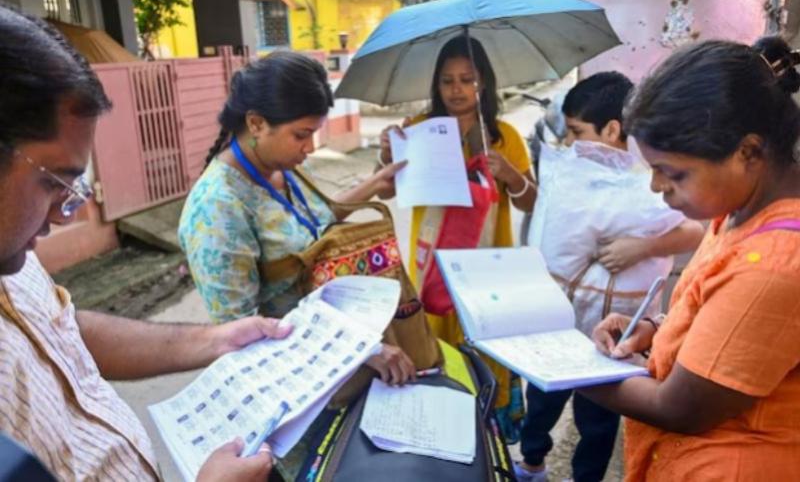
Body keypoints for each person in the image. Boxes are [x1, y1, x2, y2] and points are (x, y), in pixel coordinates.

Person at [0, 2, 291, 481]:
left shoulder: (14, 254)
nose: (62, 213)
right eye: (54, 183)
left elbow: (62, 327)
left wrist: (216, 339)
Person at [582, 37, 800, 481]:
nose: (656, 187)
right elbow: (722, 320)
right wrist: (654, 332)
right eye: (653, 169)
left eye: (674, 173)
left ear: (748, 152)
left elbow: (681, 407)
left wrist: (569, 373)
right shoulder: (737, 212)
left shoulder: (774, 265)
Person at [178, 52, 418, 389]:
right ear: (256, 124)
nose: (309, 147)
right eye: (301, 134)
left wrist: (374, 185)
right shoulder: (218, 211)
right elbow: (241, 336)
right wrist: (359, 350)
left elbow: (312, 223)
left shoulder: (279, 168)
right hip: (292, 384)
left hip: (338, 357)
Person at [515, 72, 705, 482]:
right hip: (559, 319)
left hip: (616, 327)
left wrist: (643, 247)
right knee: (542, 400)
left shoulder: (650, 178)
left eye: (578, 132)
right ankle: (531, 463)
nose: (569, 143)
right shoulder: (568, 172)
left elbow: (695, 230)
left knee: (598, 419)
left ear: (613, 129)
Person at [377, 36, 536, 440]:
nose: (457, 89)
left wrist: (511, 176)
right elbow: (388, 192)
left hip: (486, 273)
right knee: (431, 353)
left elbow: (531, 202)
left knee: (482, 351)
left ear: (483, 82)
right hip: (429, 272)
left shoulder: (505, 137)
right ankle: (437, 444)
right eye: (447, 81)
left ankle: (485, 445)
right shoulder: (417, 130)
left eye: (467, 79)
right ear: (436, 84)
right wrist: (386, 155)